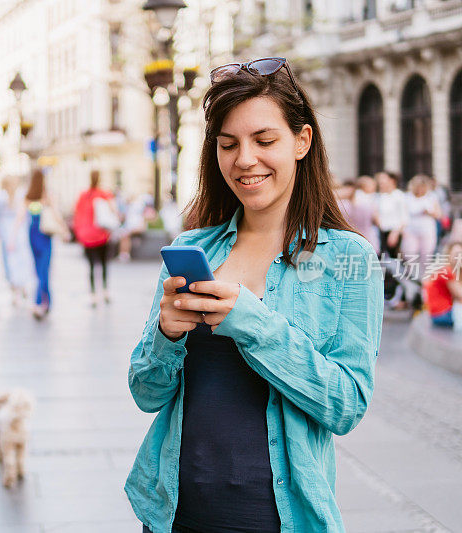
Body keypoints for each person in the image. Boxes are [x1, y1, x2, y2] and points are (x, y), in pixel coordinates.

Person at [127, 58, 383, 533]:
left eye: (264, 141)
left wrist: (254, 324)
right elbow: (146, 392)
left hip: (277, 519)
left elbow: (346, 405)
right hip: (172, 516)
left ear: (301, 142)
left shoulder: (350, 258)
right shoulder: (190, 248)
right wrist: (165, 334)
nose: (245, 159)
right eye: (229, 144)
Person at [73, 170, 116, 306]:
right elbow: (113, 211)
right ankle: (105, 292)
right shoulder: (104, 194)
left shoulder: (83, 195)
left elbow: (76, 215)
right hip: (101, 235)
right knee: (103, 264)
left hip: (86, 236)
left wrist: (79, 233)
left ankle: (92, 295)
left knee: (91, 266)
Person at [0, 176, 33, 306]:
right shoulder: (19, 195)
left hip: (8, 232)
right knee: (21, 261)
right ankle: (21, 287)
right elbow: (27, 215)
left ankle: (16, 290)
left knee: (10, 262)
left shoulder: (0, 196)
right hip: (19, 232)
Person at [24, 169, 53, 319]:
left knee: (39, 270)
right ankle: (41, 302)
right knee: (44, 270)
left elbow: (20, 217)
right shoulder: (45, 197)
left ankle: (44, 301)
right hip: (44, 235)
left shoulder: (28, 198)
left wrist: (11, 238)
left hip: (33, 234)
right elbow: (54, 213)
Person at [402, 174, 441, 279]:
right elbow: (403, 214)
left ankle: (424, 278)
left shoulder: (431, 197)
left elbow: (438, 214)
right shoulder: (407, 197)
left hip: (427, 229)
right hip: (411, 229)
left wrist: (428, 212)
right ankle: (412, 276)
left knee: (426, 255)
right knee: (409, 253)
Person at [374, 171, 407, 259]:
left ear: (392, 181)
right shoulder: (379, 196)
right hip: (380, 232)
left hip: (394, 232)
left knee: (394, 259)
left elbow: (404, 217)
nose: (380, 182)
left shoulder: (399, 195)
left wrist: (395, 233)